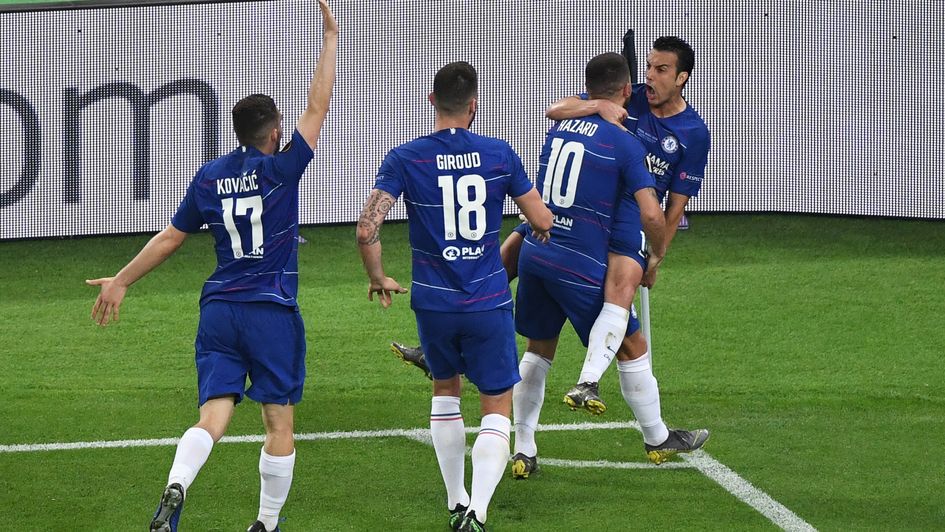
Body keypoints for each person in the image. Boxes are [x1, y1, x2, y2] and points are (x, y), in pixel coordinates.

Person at [86, 2, 337, 530]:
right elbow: (318, 105)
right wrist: (331, 36)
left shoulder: (210, 176)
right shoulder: (283, 168)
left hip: (219, 309)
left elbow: (172, 237)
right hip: (271, 310)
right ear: (273, 135)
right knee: (278, 421)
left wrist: (121, 281)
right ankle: (266, 523)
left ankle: (178, 484)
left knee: (212, 416)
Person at [356, 61, 551, 532]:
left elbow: (367, 227)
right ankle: (477, 512)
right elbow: (542, 221)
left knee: (446, 392)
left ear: (431, 103)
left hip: (433, 303)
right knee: (496, 405)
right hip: (486, 300)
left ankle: (454, 497)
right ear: (474, 105)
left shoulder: (405, 158)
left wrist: (380, 276)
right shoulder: (499, 154)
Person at [549, 37, 710, 427]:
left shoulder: (693, 133)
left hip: (631, 224)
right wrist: (598, 104)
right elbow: (557, 109)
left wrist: (657, 257)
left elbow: (674, 207)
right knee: (521, 246)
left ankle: (589, 383)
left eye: (662, 69)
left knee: (620, 299)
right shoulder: (630, 96)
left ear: (682, 78)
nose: (650, 76)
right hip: (589, 211)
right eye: (650, 67)